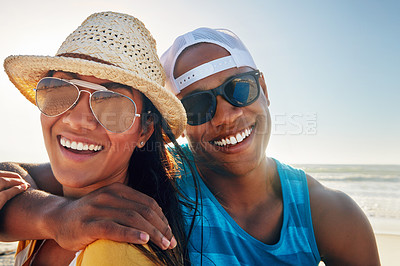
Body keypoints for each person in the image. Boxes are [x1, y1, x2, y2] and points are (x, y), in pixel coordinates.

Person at [0, 27, 380, 265]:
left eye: (239, 89)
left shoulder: (327, 213)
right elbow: (20, 177)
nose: (226, 115)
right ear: (176, 127)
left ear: (263, 89)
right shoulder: (162, 179)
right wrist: (55, 216)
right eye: (198, 106)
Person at [1, 11, 194, 265]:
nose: (78, 119)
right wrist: (55, 215)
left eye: (113, 102)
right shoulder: (46, 210)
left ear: (145, 130)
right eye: (60, 88)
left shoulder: (118, 252)